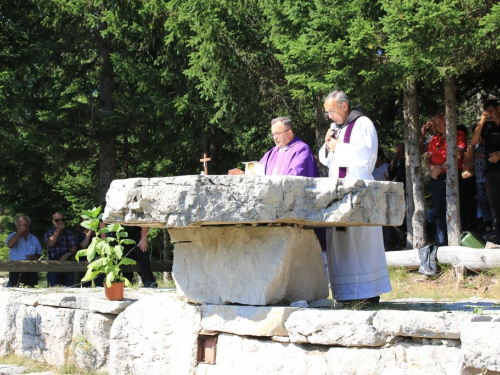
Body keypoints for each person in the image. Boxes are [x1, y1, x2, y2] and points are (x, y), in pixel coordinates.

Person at [318, 90, 391, 307]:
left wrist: (337, 147)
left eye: (332, 111)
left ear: (344, 106)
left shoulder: (363, 123)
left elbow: (366, 154)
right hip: (339, 189)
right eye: (327, 112)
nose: (330, 116)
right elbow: (326, 159)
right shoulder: (337, 129)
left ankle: (368, 293)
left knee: (361, 242)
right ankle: (345, 293)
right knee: (341, 242)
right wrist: (328, 144)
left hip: (359, 188)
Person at [229, 116, 328, 275]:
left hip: (296, 211)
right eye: (273, 134)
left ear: (289, 133)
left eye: (278, 133)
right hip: (274, 211)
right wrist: (243, 174)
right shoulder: (271, 153)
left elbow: (294, 178)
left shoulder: (301, 149)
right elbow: (259, 174)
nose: (275, 137)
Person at [424, 113, 466, 245]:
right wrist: (432, 168)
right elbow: (427, 159)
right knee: (438, 210)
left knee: (454, 207)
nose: (439, 126)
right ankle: (442, 241)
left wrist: (440, 167)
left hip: (451, 175)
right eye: (437, 124)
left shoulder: (458, 134)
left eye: (441, 122)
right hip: (436, 177)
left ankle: (458, 239)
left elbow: (458, 155)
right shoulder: (434, 139)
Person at [471, 99, 500, 244]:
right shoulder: (487, 126)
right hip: (490, 172)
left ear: (498, 108)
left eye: (491, 111)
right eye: (486, 112)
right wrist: (482, 121)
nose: (489, 114)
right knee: (494, 205)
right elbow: (474, 141)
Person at [6, 215, 42, 287]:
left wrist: (34, 257)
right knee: (16, 291)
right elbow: (10, 244)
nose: (24, 227)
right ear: (17, 226)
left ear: (29, 225)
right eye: (21, 225)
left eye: (26, 225)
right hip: (16, 269)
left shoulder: (34, 238)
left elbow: (39, 253)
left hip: (31, 269)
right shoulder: (12, 236)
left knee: (32, 291)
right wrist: (19, 232)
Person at [44, 212, 77, 287]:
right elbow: (50, 243)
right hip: (53, 266)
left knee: (69, 289)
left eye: (62, 220)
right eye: (57, 220)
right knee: (53, 290)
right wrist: (58, 230)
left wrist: (68, 254)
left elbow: (74, 248)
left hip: (68, 266)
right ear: (53, 222)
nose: (60, 222)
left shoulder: (69, 233)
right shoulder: (49, 233)